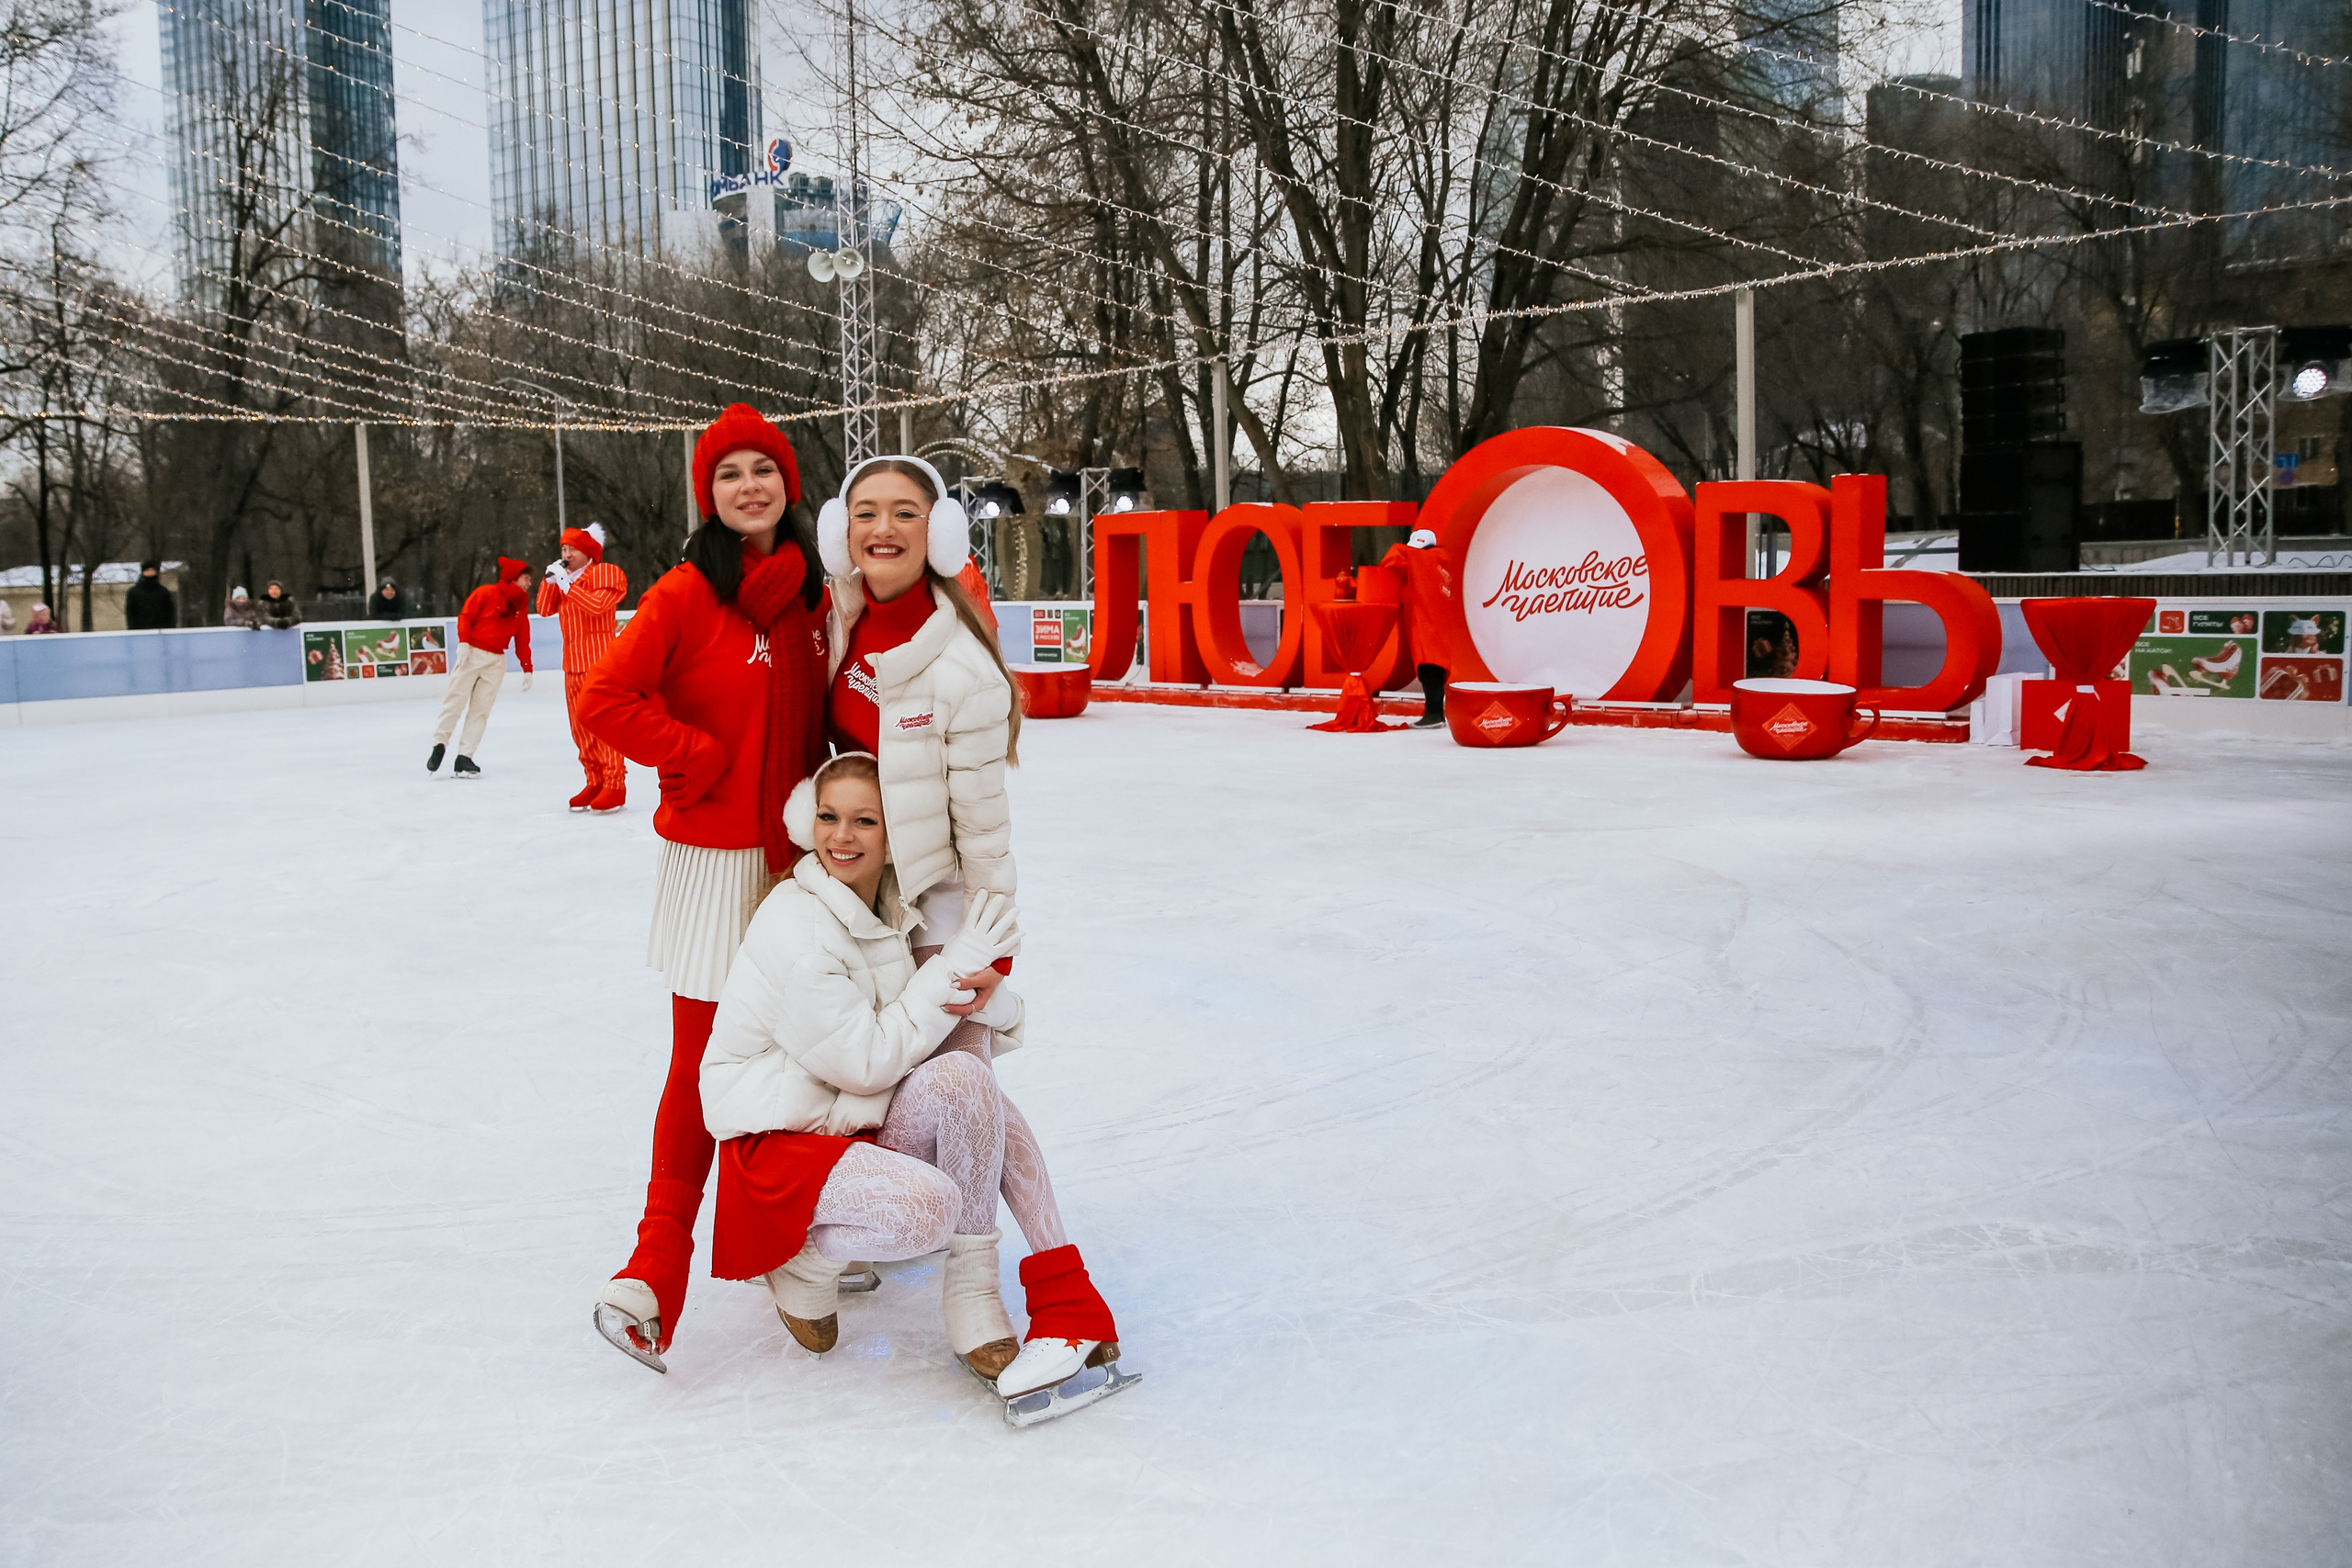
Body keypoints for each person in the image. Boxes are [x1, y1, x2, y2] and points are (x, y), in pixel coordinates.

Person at [814, 455, 1125, 1404]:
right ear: (841, 531)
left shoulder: (959, 663)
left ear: (940, 534)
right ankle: (885, 1239)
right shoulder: (841, 621)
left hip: (942, 913)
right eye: (866, 513)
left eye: (905, 514)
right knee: (909, 1093)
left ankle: (1059, 1299)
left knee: (973, 1096)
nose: (883, 529)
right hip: (866, 909)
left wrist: (990, 950)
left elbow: (986, 830)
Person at [698, 752, 1128, 1416]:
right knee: (930, 1208)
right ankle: (803, 1259)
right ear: (806, 823)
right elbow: (869, 1063)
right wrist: (952, 966)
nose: (842, 836)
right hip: (780, 1148)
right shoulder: (798, 927)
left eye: (864, 821)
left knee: (966, 1078)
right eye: (828, 817)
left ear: (894, 834)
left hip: (849, 1123)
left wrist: (996, 1000)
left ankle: (1021, 1293)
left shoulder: (889, 909)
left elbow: (928, 1033)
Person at [575, 404, 827, 1366]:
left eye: (763, 469)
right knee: (702, 1063)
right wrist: (693, 754)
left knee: (804, 1054)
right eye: (729, 474)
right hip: (718, 862)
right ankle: (655, 1269)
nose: (748, 486)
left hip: (803, 862)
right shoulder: (685, 593)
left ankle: (791, 1234)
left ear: (788, 485)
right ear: (708, 495)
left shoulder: (816, 596)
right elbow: (606, 697)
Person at [537, 523, 630, 812]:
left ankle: (614, 783)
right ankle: (594, 779)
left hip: (599, 663)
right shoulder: (563, 579)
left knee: (603, 725)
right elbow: (543, 609)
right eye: (564, 549)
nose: (566, 554)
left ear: (588, 552)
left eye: (572, 549)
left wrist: (567, 585)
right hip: (572, 665)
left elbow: (598, 606)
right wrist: (549, 582)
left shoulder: (606, 573)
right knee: (580, 727)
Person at [427, 558, 534, 777]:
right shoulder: (486, 592)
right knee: (455, 701)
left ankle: (464, 756)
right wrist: (464, 644)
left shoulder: (520, 606)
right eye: (526, 578)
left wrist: (527, 667)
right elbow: (466, 615)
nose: (529, 583)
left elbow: (522, 638)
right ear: (514, 578)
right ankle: (439, 744)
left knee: (481, 710)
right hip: (473, 654)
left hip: (496, 661)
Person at [1378, 527, 1461, 728]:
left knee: (1427, 667)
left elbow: (1390, 560)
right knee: (1436, 669)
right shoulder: (1443, 560)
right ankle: (1435, 712)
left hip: (1425, 623)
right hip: (1442, 624)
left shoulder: (1416, 558)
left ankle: (1434, 714)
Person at [125, 562, 176, 630]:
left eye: (152, 570)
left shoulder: (163, 592)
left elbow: (170, 613)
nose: (150, 572)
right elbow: (130, 614)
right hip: (140, 631)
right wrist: (133, 631)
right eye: (147, 570)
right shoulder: (133, 592)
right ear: (143, 572)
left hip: (161, 632)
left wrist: (169, 630)